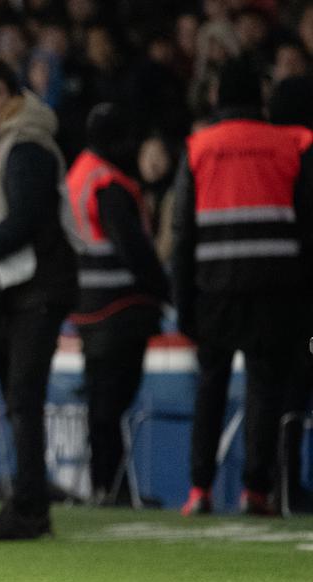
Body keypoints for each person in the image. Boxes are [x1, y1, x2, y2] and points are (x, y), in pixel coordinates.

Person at [173, 58, 313, 516]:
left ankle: (200, 490)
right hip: (276, 289)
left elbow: (182, 234)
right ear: (261, 98)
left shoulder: (199, 148)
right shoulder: (290, 146)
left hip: (214, 289)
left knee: (211, 387)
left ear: (216, 98)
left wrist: (183, 302)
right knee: (263, 388)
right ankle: (257, 490)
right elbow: (308, 225)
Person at [0, 55, 77, 540]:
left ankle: (29, 508)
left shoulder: (26, 145)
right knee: (18, 399)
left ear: (12, 97)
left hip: (38, 287)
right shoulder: (3, 144)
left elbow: (26, 220)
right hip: (18, 289)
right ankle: (27, 503)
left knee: (23, 399)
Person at [66, 103, 170, 504]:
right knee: (112, 404)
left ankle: (105, 485)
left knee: (101, 404)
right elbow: (134, 250)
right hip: (120, 308)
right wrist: (164, 290)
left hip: (88, 308)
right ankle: (111, 487)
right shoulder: (108, 183)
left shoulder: (79, 175)